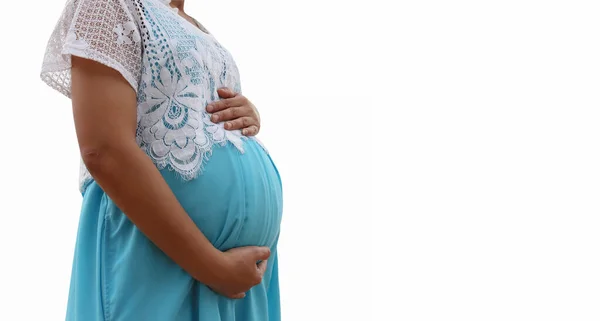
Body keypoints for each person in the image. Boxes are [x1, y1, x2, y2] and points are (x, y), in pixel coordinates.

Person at [40, 0, 283, 320]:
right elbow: (104, 149)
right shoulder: (111, 4)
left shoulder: (196, 28)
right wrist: (212, 267)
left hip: (241, 289)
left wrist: (247, 117)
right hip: (160, 268)